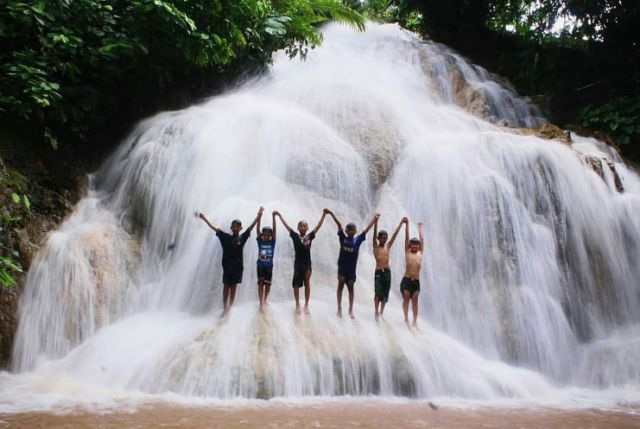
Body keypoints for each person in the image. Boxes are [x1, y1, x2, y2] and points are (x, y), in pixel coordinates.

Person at [198, 207, 263, 315]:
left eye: (238, 227)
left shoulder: (242, 238)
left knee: (233, 288)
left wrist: (259, 215)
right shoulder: (225, 237)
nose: (236, 228)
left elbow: (251, 227)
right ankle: (225, 308)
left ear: (240, 228)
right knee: (226, 287)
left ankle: (230, 307)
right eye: (234, 226)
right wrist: (204, 218)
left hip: (238, 268)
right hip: (227, 267)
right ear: (231, 227)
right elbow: (213, 227)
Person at [325, 209, 379, 319]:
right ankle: (339, 308)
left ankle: (350, 309)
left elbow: (366, 230)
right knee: (340, 286)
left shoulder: (357, 240)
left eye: (352, 229)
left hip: (351, 269)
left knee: (350, 287)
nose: (350, 231)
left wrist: (374, 219)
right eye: (348, 229)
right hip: (342, 267)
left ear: (355, 231)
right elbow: (339, 224)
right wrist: (331, 213)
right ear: (346, 230)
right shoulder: (343, 238)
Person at [273, 209, 328, 315]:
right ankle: (297, 304)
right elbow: (286, 226)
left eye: (305, 226)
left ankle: (306, 305)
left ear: (307, 228)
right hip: (298, 264)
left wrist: (323, 215)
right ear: (298, 228)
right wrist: (279, 215)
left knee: (307, 282)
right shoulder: (295, 235)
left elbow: (318, 226)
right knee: (296, 285)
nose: (303, 227)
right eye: (301, 226)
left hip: (307, 264)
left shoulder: (309, 236)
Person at [372, 216, 405, 321]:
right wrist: (376, 221)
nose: (384, 239)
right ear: (378, 238)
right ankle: (376, 312)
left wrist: (401, 223)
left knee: (385, 294)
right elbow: (373, 235)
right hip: (378, 271)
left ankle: (381, 312)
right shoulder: (376, 247)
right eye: (382, 238)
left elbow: (395, 235)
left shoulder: (388, 246)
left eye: (385, 238)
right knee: (378, 293)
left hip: (387, 272)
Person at [401, 220, 424, 328]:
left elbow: (422, 240)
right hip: (407, 279)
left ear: (419, 246)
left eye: (416, 244)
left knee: (415, 301)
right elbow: (406, 238)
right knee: (406, 298)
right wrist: (407, 225)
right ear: (410, 246)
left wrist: (420, 229)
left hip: (416, 281)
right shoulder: (407, 252)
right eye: (413, 244)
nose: (415, 245)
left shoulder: (420, 253)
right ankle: (406, 318)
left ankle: (414, 321)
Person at [256, 210, 277, 312]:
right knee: (260, 283)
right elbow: (257, 229)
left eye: (269, 234)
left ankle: (265, 300)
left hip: (269, 266)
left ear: (271, 235)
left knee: (268, 284)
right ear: (262, 234)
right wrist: (259, 216)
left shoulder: (272, 242)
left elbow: (275, 231)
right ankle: (261, 303)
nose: (266, 235)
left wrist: (274, 217)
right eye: (264, 234)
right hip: (260, 265)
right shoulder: (260, 241)